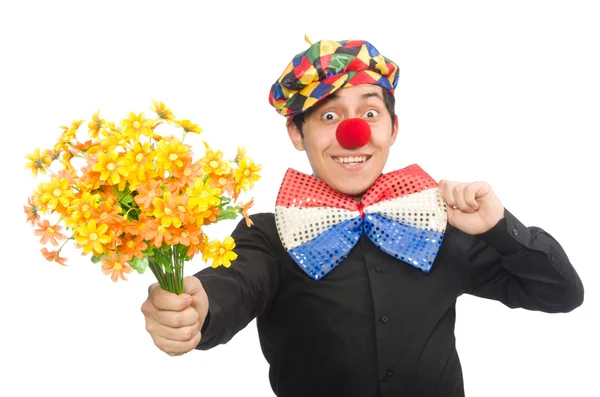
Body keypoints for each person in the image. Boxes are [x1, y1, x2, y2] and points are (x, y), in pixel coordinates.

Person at [140, 38, 584, 396]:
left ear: (392, 128)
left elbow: (561, 294)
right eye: (329, 115)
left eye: (370, 113)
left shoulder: (441, 223)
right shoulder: (268, 236)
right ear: (297, 133)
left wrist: (498, 227)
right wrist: (195, 308)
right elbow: (233, 285)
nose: (353, 134)